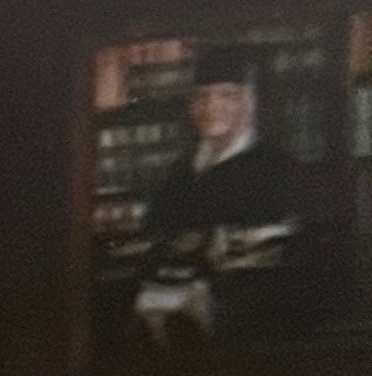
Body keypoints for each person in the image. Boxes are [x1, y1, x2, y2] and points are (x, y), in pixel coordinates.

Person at [131, 50, 306, 339]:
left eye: (227, 95)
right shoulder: (181, 167)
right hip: (171, 295)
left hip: (250, 311)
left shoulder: (276, 166)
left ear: (249, 103)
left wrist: (206, 241)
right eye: (202, 96)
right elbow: (153, 226)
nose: (211, 106)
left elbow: (285, 243)